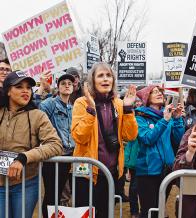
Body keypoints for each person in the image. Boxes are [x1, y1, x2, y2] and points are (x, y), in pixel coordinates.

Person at [71, 62, 138, 218]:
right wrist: (91, 110)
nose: (105, 79)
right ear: (92, 80)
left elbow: (130, 136)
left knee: (105, 214)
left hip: (111, 174)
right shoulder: (82, 103)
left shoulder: (120, 104)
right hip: (86, 173)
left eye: (109, 75)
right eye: (100, 75)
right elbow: (79, 136)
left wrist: (128, 110)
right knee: (85, 214)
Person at [0, 71, 63, 218]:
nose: (25, 91)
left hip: (26, 184)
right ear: (8, 91)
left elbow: (55, 144)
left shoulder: (38, 115)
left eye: (28, 87)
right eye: (19, 86)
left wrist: (24, 157)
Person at [134, 85, 185, 218]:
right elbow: (147, 139)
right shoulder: (140, 116)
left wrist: (178, 119)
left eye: (160, 92)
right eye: (154, 92)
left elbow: (179, 140)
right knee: (150, 211)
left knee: (160, 207)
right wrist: (164, 120)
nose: (159, 94)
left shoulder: (166, 114)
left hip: (166, 170)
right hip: (148, 172)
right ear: (146, 98)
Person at [39, 74, 76, 218]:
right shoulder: (50, 104)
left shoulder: (73, 108)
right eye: (63, 83)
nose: (67, 85)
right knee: (51, 194)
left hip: (70, 157)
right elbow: (39, 118)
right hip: (54, 157)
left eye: (70, 83)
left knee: (63, 193)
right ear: (58, 87)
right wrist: (42, 87)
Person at [125, 96, 143, 218]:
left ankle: (144, 211)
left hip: (147, 161)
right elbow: (130, 144)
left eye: (140, 101)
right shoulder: (134, 120)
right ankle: (134, 212)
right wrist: (127, 165)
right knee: (134, 188)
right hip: (135, 162)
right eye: (136, 101)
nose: (138, 103)